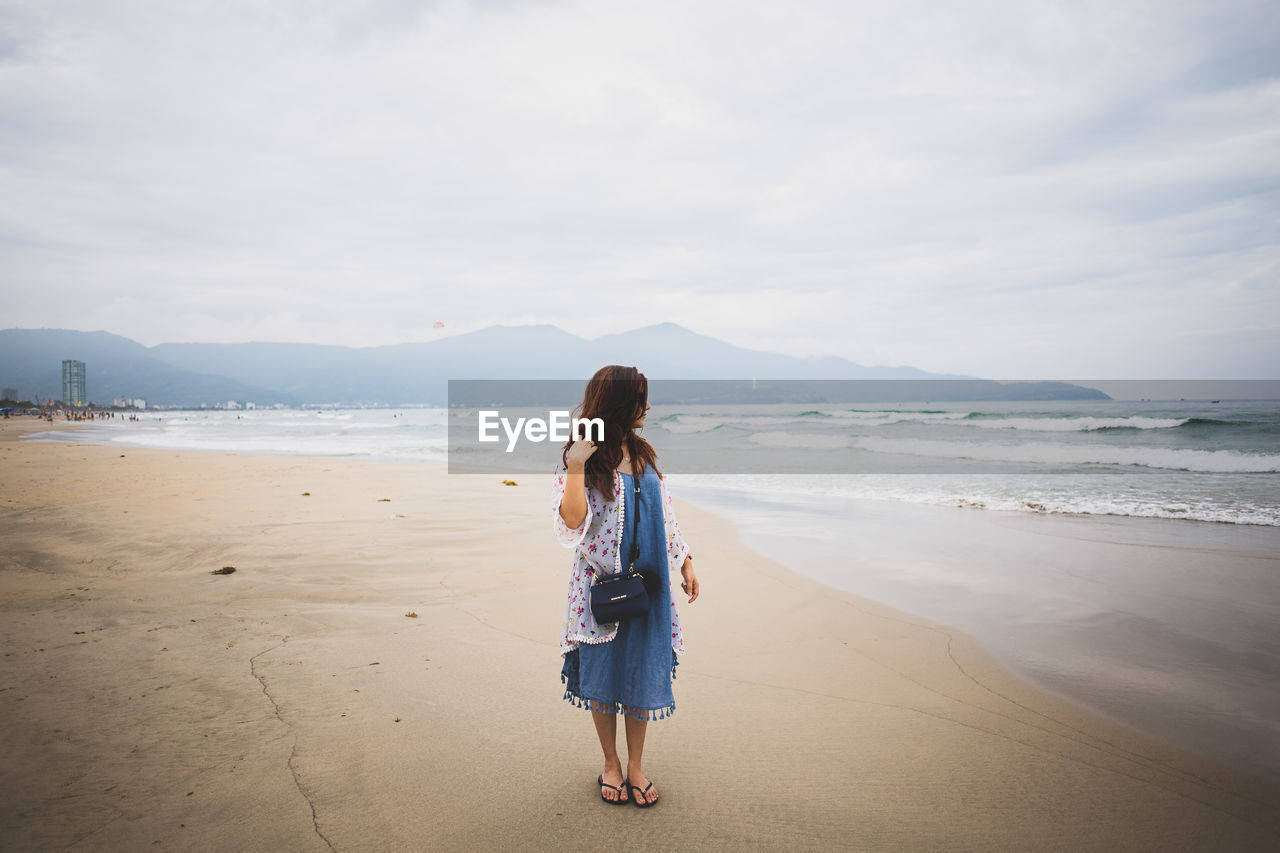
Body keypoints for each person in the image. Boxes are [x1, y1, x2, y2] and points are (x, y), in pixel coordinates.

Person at [552, 365, 700, 808]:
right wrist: (577, 465)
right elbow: (572, 521)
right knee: (602, 673)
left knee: (640, 670)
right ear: (621, 403)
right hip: (601, 589)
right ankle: (610, 764)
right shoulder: (583, 458)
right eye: (641, 398)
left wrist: (686, 561)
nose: (648, 407)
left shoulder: (645, 454)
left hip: (649, 587)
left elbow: (666, 516)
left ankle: (636, 766)